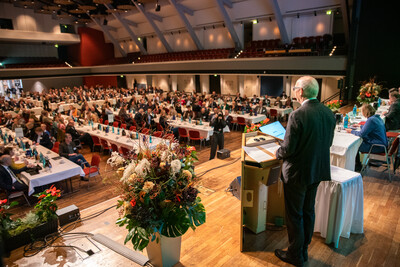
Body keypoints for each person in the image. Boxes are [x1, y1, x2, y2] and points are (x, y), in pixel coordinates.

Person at [275, 76, 336, 266]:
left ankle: (294, 255)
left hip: (297, 174)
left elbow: (288, 149)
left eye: (295, 89)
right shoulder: (328, 113)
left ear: (300, 91)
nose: (294, 92)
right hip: (316, 171)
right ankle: (303, 250)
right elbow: (329, 143)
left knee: (294, 215)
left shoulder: (297, 114)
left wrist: (278, 150)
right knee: (308, 211)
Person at [346, 104, 388, 171]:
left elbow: (361, 134)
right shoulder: (376, 117)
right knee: (356, 144)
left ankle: (357, 166)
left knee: (353, 146)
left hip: (377, 146)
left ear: (365, 112)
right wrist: (359, 126)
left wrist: (351, 131)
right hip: (382, 144)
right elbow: (369, 128)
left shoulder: (371, 120)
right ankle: (358, 164)